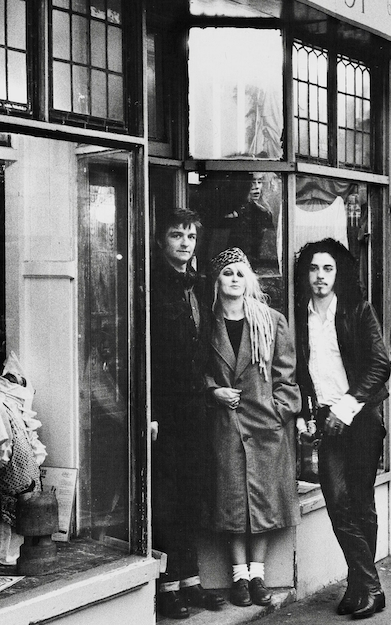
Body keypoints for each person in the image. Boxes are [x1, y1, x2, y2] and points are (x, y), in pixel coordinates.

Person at [294, 239, 391, 620]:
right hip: (325, 421)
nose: (320, 276)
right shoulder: (299, 314)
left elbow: (380, 364)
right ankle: (367, 585)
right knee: (338, 502)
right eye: (314, 269)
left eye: (328, 269)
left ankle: (363, 586)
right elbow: (299, 371)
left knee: (361, 503)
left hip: (361, 419)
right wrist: (304, 413)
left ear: (338, 274)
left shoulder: (356, 309)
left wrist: (347, 408)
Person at [206, 247, 300, 607]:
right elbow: (195, 369)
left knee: (263, 503)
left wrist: (279, 411)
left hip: (265, 425)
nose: (233, 278)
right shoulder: (206, 321)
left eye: (239, 273)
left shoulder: (271, 321)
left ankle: (258, 575)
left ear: (249, 280)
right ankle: (238, 578)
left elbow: (287, 375)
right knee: (231, 503)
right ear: (217, 280)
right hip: (225, 426)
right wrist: (212, 391)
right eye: (227, 272)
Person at [150, 208, 225, 619]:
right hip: (165, 410)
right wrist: (151, 411)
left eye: (190, 236)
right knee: (167, 497)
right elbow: (142, 352)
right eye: (176, 235)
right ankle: (167, 586)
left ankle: (192, 580)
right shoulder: (152, 284)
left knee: (192, 493)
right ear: (163, 240)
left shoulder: (198, 286)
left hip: (196, 407)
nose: (184, 243)